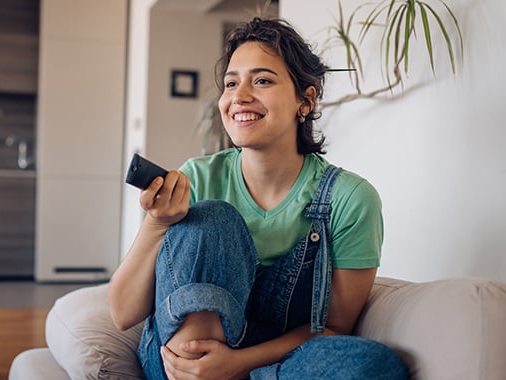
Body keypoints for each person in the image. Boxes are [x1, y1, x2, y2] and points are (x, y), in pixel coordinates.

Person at [108, 17, 407, 380]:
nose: (239, 96)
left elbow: (332, 327)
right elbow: (123, 314)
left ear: (305, 100)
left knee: (375, 365)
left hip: (271, 362)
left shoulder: (350, 199)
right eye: (231, 83)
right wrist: (158, 223)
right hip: (180, 364)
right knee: (214, 219)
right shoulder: (199, 177)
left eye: (262, 80)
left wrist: (237, 364)